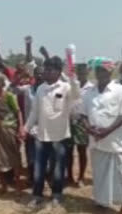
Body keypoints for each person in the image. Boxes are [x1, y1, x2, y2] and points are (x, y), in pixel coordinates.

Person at [25, 56, 80, 208]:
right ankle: (37, 196)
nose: (46, 73)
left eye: (50, 70)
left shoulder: (66, 87)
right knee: (39, 168)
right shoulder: (41, 89)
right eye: (45, 70)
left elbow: (76, 98)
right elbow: (34, 112)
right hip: (42, 135)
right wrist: (26, 129)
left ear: (58, 71)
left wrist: (73, 78)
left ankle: (57, 194)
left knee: (58, 168)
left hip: (60, 136)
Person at [83, 57, 122, 214]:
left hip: (116, 141)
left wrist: (107, 131)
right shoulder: (89, 92)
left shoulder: (120, 90)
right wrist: (89, 129)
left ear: (111, 71)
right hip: (97, 141)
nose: (101, 73)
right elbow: (83, 114)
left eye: (104, 70)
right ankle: (102, 201)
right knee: (100, 173)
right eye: (98, 70)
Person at [9, 65, 45, 184]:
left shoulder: (49, 89)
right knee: (30, 155)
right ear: (33, 76)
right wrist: (17, 77)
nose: (39, 76)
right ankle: (31, 178)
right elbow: (12, 89)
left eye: (41, 73)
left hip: (45, 127)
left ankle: (41, 178)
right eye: (37, 73)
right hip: (30, 126)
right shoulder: (27, 89)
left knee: (43, 156)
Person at [67, 63, 93, 187]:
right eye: (79, 72)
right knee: (69, 150)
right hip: (70, 121)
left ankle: (81, 177)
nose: (81, 74)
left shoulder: (91, 88)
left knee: (82, 150)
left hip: (83, 122)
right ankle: (70, 176)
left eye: (84, 72)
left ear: (88, 72)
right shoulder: (71, 85)